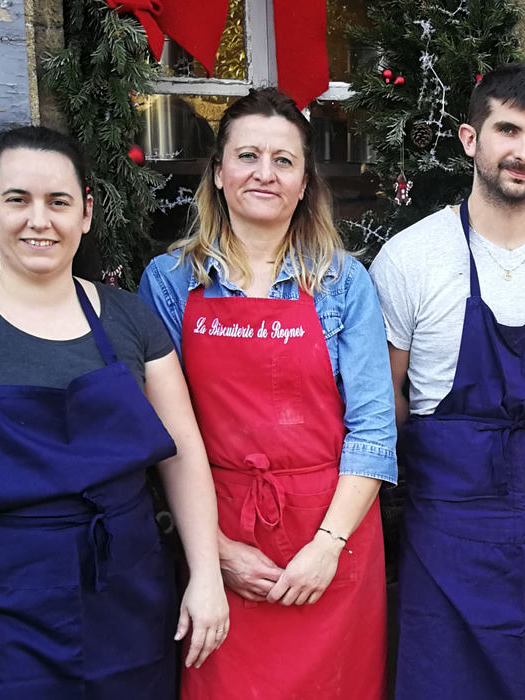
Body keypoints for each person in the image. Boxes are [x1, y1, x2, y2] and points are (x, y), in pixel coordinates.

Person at [0, 126, 229, 697]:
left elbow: (182, 454)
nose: (39, 220)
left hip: (125, 593)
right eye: (17, 199)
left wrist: (205, 575)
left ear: (85, 212)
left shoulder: (131, 320)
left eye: (58, 201)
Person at [137, 87, 394, 699]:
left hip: (333, 536)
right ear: (220, 173)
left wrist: (326, 548)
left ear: (305, 183)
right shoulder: (171, 282)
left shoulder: (343, 282)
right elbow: (161, 436)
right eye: (247, 156)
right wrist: (213, 551)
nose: (265, 173)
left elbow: (374, 431)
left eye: (285, 160)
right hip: (218, 535)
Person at [369, 62, 525, 700]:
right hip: (449, 534)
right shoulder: (410, 258)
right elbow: (386, 407)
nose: (523, 151)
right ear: (470, 138)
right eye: (508, 130)